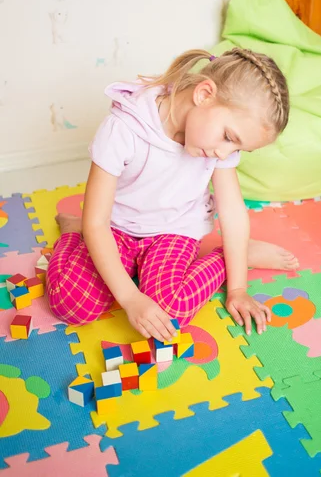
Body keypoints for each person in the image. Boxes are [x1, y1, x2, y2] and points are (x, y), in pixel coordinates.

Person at [47, 48, 298, 343]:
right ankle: (72, 232)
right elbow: (97, 223)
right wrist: (130, 299)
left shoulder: (215, 144)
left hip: (175, 230)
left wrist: (238, 289)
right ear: (204, 95)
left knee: (171, 311)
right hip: (113, 227)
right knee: (70, 304)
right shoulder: (123, 128)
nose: (224, 153)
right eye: (229, 138)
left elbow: (232, 212)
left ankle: (233, 256)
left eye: (238, 149)